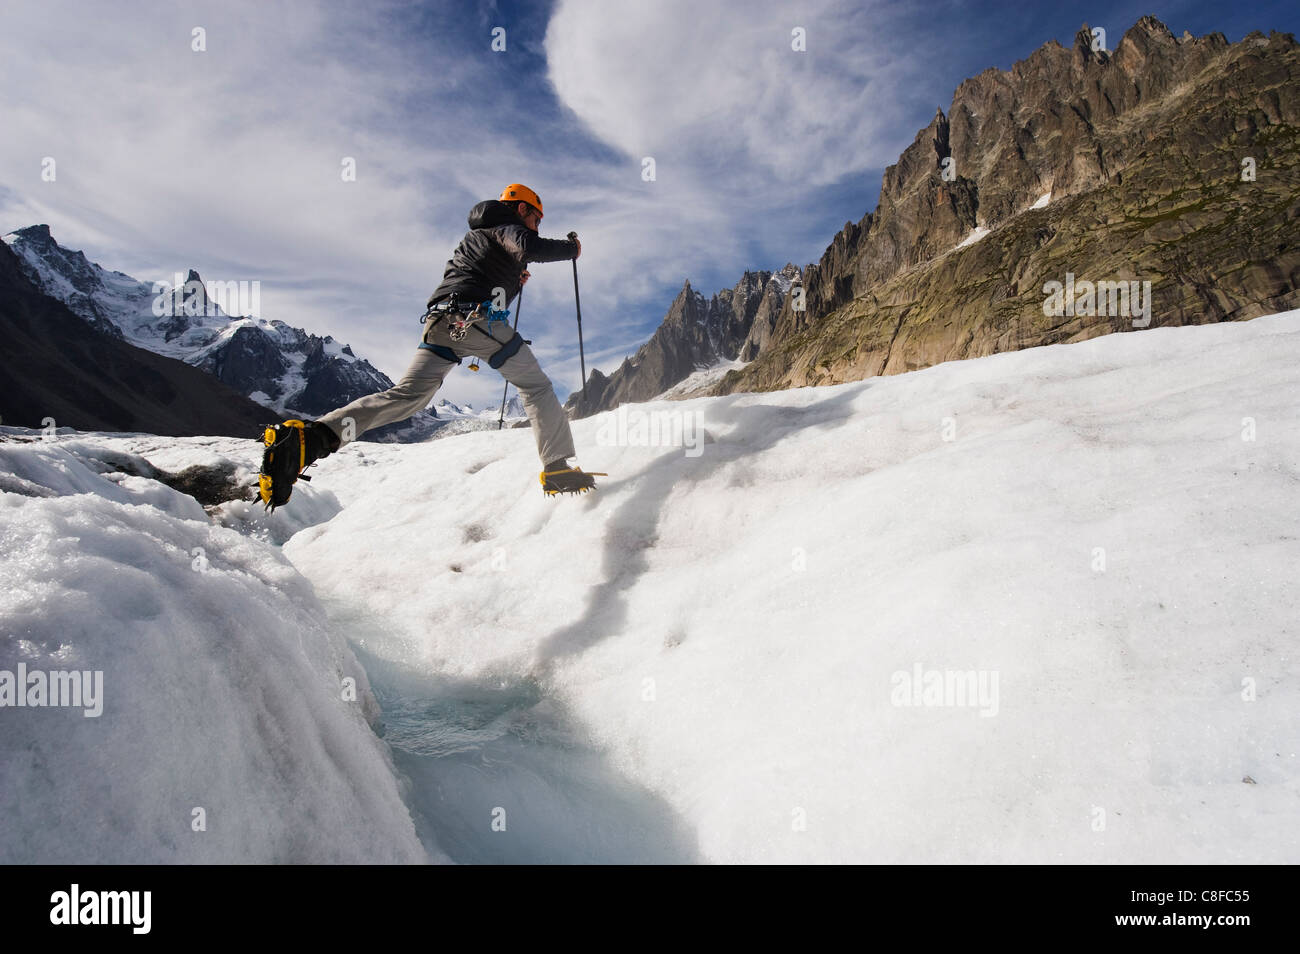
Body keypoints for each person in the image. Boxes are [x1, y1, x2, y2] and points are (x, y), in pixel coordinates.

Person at [257, 183, 596, 510]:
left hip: (441, 323)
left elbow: (488, 278)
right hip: (476, 320)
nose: (536, 227)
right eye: (536, 219)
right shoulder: (506, 227)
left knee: (406, 397)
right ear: (522, 209)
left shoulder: (482, 235)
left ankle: (310, 439)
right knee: (535, 386)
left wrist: (513, 280)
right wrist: (571, 249)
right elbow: (528, 247)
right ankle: (558, 468)